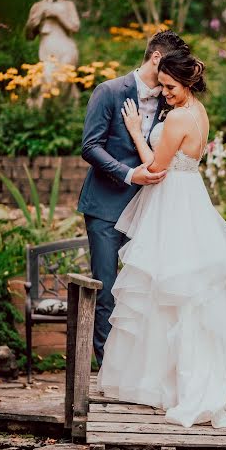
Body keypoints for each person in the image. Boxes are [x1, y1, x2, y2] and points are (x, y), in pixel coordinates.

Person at [97, 49, 226, 439]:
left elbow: (155, 169)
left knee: (168, 288)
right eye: (162, 86)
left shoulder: (180, 117)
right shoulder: (199, 112)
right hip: (190, 198)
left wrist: (134, 133)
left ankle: (172, 384)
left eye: (171, 87)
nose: (165, 94)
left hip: (172, 204)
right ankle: (169, 380)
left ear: (189, 83)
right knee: (185, 291)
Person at [78, 30, 190, 366]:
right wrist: (129, 174)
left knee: (146, 291)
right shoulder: (109, 91)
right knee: (108, 289)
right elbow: (90, 146)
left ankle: (139, 367)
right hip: (106, 208)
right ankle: (106, 368)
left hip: (150, 209)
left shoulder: (170, 99)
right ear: (156, 58)